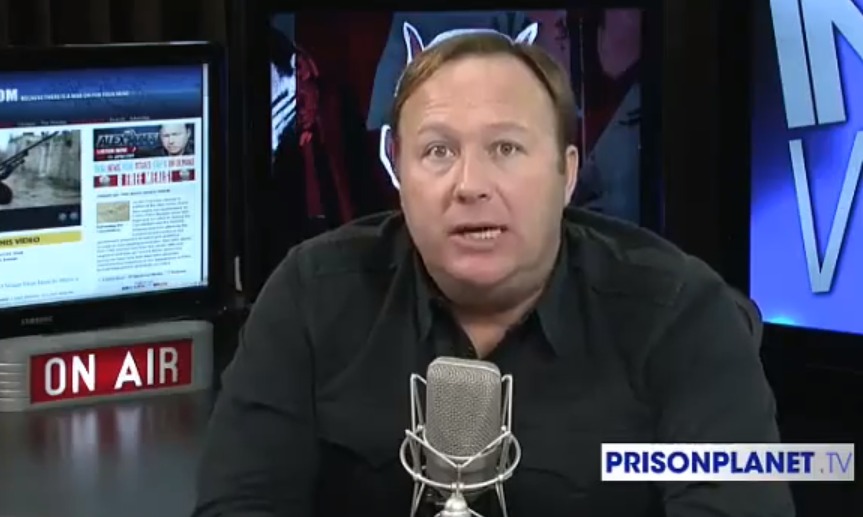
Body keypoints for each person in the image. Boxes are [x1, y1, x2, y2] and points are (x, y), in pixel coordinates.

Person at [192, 33, 794, 517]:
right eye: (438, 151)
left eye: (505, 149)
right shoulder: (310, 295)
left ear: (567, 173)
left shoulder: (683, 315)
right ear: (397, 170)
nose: (470, 185)